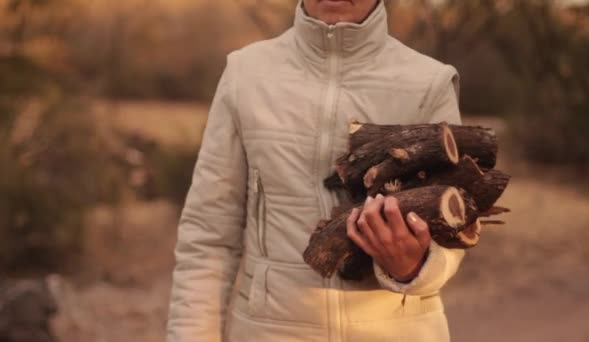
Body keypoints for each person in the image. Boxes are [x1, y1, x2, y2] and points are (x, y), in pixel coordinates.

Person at [166, 0, 465, 341]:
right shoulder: (245, 75)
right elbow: (207, 237)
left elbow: (451, 240)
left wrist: (414, 267)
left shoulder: (429, 83)